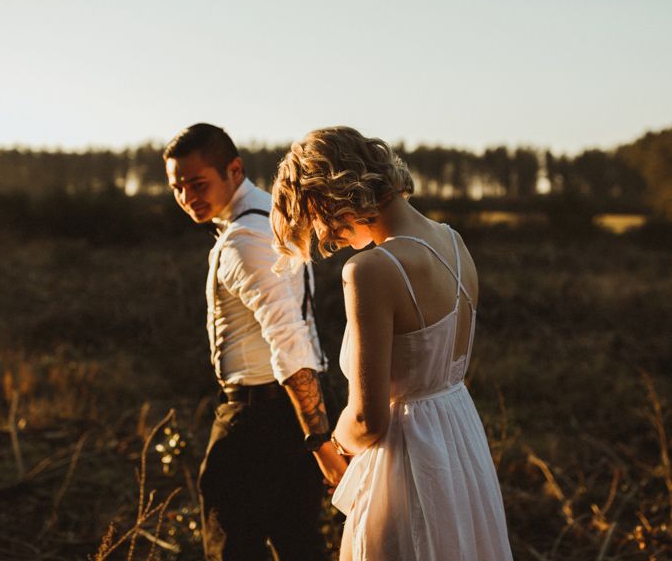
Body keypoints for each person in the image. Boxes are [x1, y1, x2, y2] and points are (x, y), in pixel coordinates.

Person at [271, 127, 513, 560]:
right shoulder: (453, 241)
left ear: (328, 197)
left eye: (316, 219)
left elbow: (368, 418)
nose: (327, 236)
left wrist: (333, 446)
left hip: (406, 464)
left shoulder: (371, 269)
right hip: (459, 445)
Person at [163, 123, 347, 561]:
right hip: (290, 413)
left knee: (233, 546)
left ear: (234, 169)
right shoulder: (270, 217)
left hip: (259, 417)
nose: (188, 197)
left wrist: (319, 440)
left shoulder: (246, 239)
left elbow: (289, 336)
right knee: (298, 541)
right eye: (177, 188)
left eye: (197, 184)